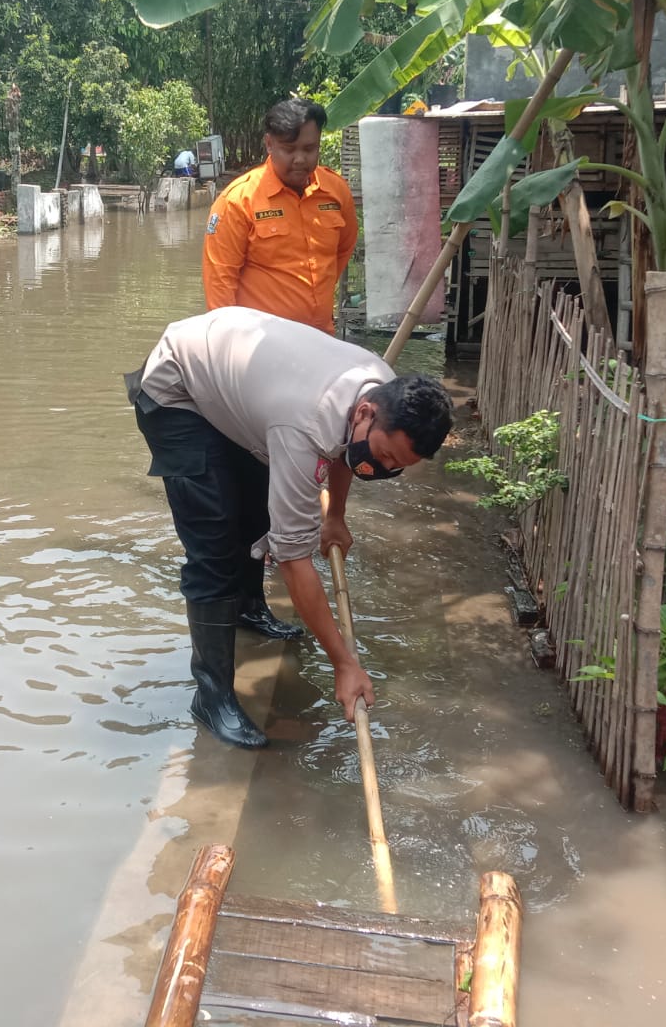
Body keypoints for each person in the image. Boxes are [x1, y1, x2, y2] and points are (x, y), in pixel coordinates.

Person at [126, 306, 453, 748]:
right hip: (178, 385)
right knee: (215, 544)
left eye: (396, 467)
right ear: (366, 413)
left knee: (260, 510)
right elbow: (293, 556)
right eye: (385, 456)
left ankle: (245, 608)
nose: (382, 468)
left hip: (239, 380)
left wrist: (334, 517)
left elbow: (346, 450)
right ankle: (212, 696)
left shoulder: (377, 379)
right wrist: (344, 664)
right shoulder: (304, 426)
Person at [201, 96, 360, 642]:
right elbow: (219, 299)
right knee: (249, 490)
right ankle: (248, 599)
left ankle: (284, 561)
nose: (301, 160)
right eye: (290, 150)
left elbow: (342, 254)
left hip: (320, 363)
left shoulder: (335, 193)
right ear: (269, 145)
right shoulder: (239, 202)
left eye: (311, 148)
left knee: (307, 468)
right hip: (258, 372)